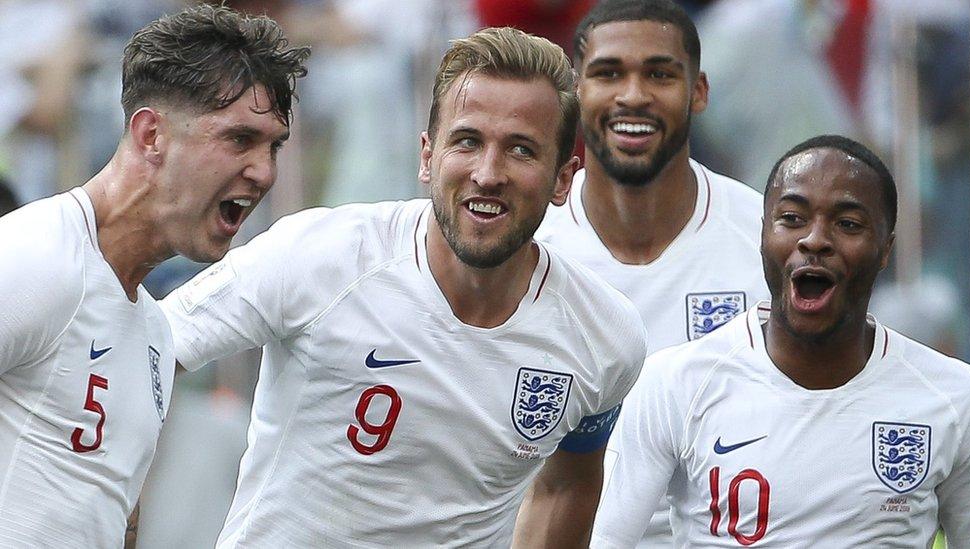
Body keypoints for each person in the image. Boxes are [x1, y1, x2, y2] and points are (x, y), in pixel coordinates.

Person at [160, 27, 646, 548]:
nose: (487, 173)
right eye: (467, 141)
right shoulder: (319, 256)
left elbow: (569, 485)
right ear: (426, 157)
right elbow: (144, 350)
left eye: (521, 150)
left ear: (562, 180)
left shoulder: (604, 338)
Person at [0, 5, 308, 547]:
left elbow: (117, 522)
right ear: (150, 135)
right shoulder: (36, 257)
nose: (264, 172)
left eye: (273, 146)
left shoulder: (156, 332)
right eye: (239, 139)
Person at [591, 135, 970, 547]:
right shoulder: (675, 383)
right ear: (762, 235)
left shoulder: (954, 397)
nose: (815, 240)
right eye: (792, 218)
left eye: (847, 224)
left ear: (886, 249)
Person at [534, 1, 767, 545]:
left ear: (699, 91)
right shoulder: (529, 243)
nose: (633, 95)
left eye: (659, 74)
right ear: (575, 92)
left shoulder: (766, 241)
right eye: (608, 73)